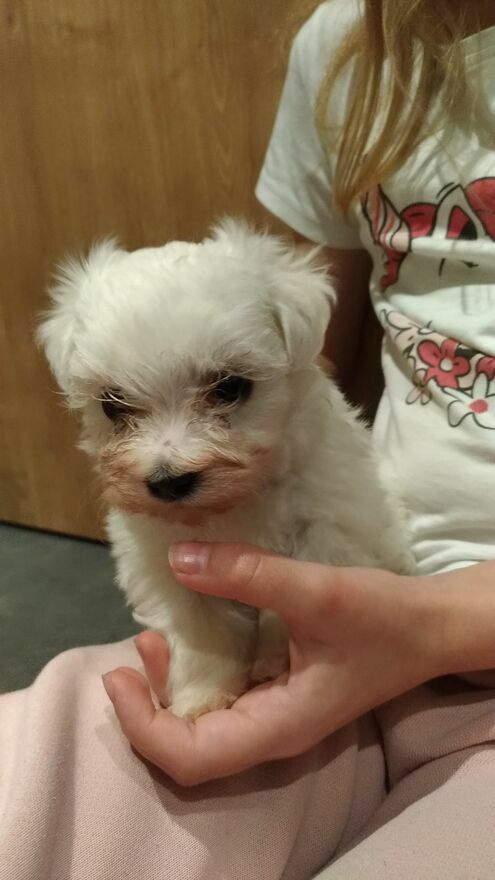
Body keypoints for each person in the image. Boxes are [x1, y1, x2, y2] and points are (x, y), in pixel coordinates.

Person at [2, 2, 495, 878]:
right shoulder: (350, 43)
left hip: (417, 632)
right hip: (343, 626)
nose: (168, 458)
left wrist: (427, 630)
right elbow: (307, 344)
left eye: (223, 393)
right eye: (118, 409)